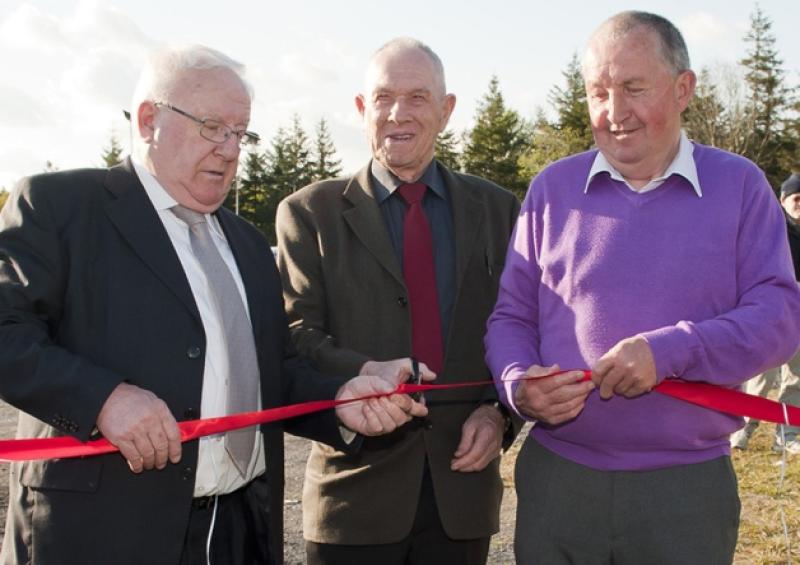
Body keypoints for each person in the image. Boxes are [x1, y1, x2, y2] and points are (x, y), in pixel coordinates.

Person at [0, 44, 428, 565]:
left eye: (240, 133)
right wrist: (104, 399)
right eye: (212, 127)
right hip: (101, 533)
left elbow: (273, 369)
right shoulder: (60, 207)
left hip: (237, 530)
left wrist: (339, 398)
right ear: (149, 120)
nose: (230, 150)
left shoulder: (246, 243)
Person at [484, 11, 800, 565]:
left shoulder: (741, 186)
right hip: (559, 482)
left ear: (683, 89)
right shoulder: (552, 189)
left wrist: (671, 350)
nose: (614, 112)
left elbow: (778, 316)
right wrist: (517, 384)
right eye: (598, 92)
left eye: (634, 88)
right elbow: (511, 315)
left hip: (684, 492)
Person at [276, 37, 520, 565]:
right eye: (383, 97)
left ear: (446, 110)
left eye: (417, 97)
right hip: (353, 496)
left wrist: (499, 413)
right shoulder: (309, 213)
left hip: (463, 491)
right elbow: (296, 337)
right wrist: (364, 372)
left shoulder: (499, 210)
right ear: (361, 108)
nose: (397, 113)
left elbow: (519, 327)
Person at [730, 172, 800, 453]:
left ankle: (787, 434)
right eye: (797, 198)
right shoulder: (771, 226)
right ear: (783, 199)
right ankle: (743, 430)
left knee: (796, 377)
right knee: (762, 377)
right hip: (772, 316)